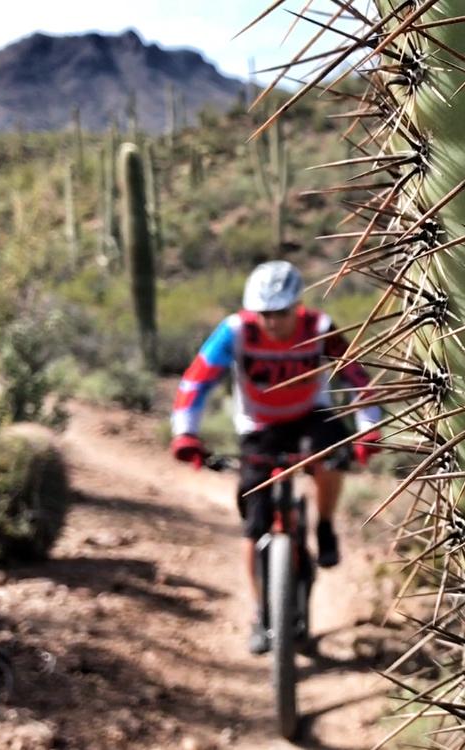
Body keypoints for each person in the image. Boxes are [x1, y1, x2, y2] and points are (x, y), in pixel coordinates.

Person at [168, 260, 381, 654]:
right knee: (255, 517)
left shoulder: (318, 329)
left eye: (280, 313)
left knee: (331, 453)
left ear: (296, 307)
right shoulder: (236, 332)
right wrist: (186, 434)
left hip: (309, 414)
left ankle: (326, 525)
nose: (271, 322)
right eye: (263, 313)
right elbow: (196, 380)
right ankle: (260, 613)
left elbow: (357, 379)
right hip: (259, 424)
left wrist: (369, 430)